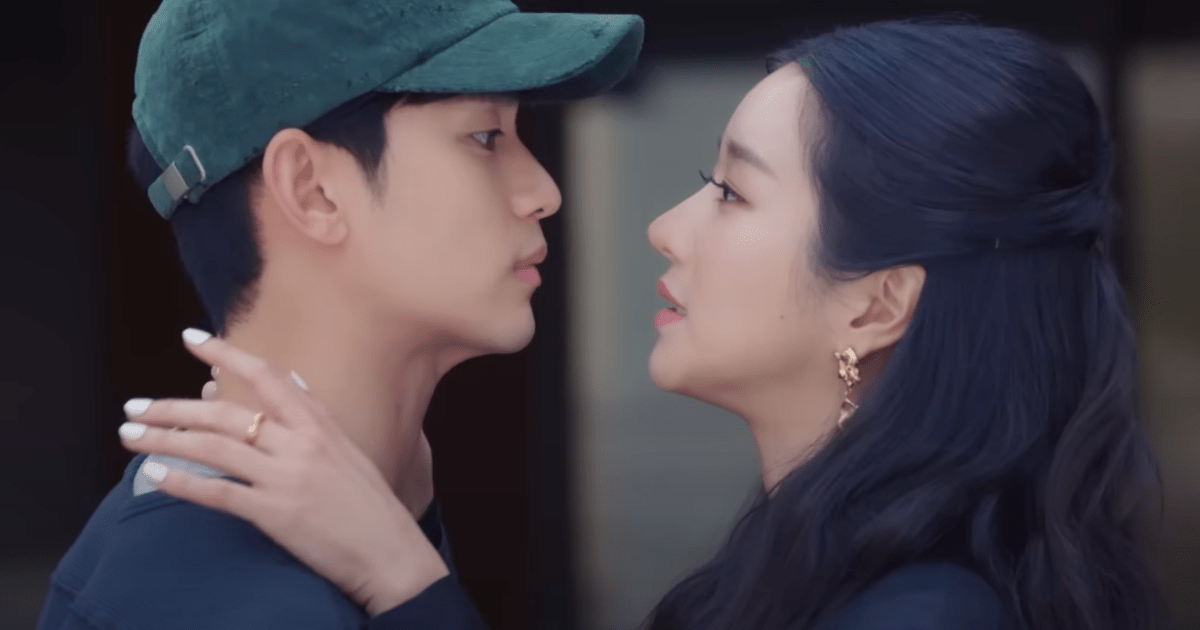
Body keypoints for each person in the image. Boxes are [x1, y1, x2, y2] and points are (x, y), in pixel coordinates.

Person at [108, 16, 1170, 630]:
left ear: (878, 299)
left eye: (732, 192)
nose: (662, 226)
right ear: (311, 190)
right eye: (485, 138)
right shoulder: (799, 567)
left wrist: (408, 580)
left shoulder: (925, 612)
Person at [34, 0, 644, 629]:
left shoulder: (245, 559)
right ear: (312, 190)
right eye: (485, 137)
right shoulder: (230, 604)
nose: (543, 192)